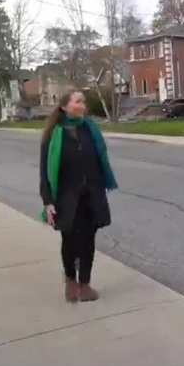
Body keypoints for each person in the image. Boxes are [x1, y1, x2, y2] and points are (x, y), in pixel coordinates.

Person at [40, 90, 118, 303]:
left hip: (92, 194)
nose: (82, 105)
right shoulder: (53, 134)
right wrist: (48, 202)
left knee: (88, 240)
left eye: (83, 101)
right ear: (64, 106)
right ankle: (70, 279)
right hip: (66, 197)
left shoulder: (90, 129)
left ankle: (85, 284)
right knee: (69, 239)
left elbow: (99, 159)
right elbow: (44, 171)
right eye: (77, 101)